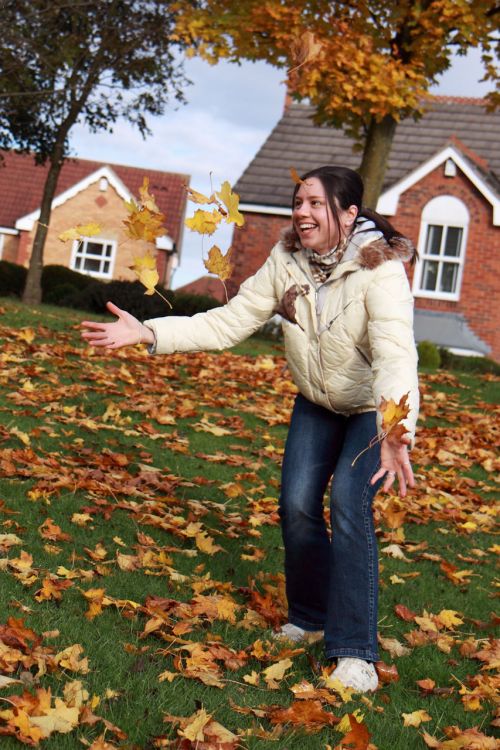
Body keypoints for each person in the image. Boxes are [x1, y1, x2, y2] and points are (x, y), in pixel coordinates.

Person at [81, 165, 419, 693]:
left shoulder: (381, 272)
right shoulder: (286, 261)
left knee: (350, 504)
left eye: (315, 203)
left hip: (371, 410)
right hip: (316, 401)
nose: (301, 212)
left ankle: (354, 651)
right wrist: (148, 332)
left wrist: (396, 429)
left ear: (349, 214)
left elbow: (397, 355)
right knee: (297, 505)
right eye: (297, 201)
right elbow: (229, 321)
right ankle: (309, 619)